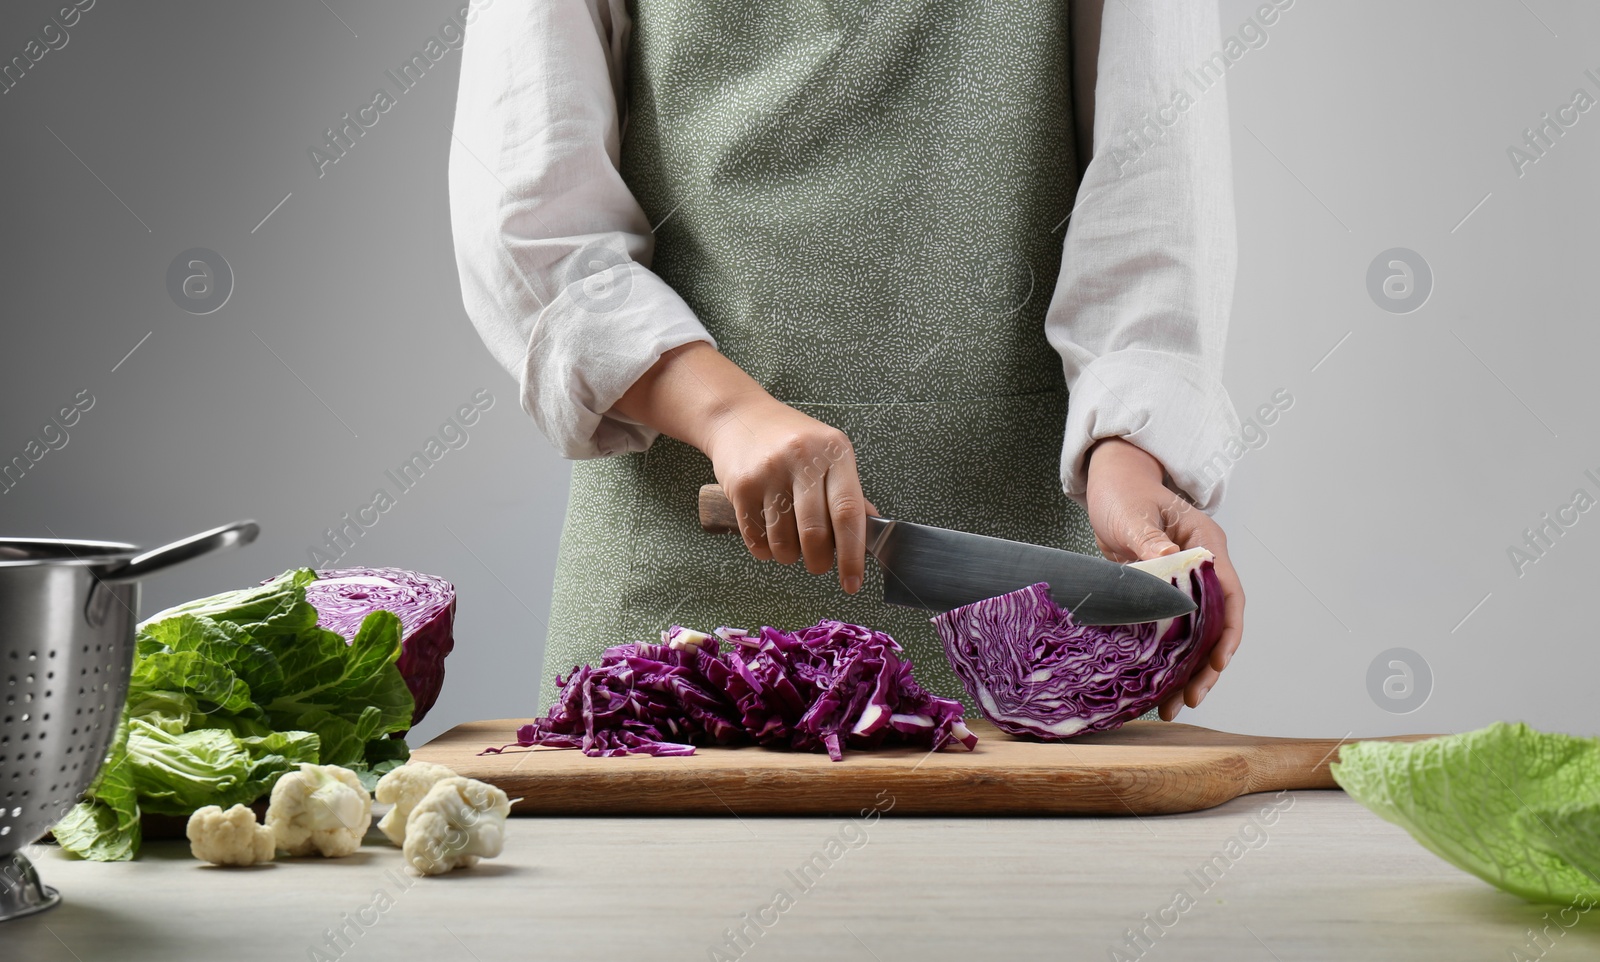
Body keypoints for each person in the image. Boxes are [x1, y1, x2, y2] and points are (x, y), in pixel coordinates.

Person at [449, 0, 1245, 720]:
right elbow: (532, 208)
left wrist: (1132, 454)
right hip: (672, 618)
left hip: (1029, 644)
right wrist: (725, 413)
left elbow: (1157, 181)